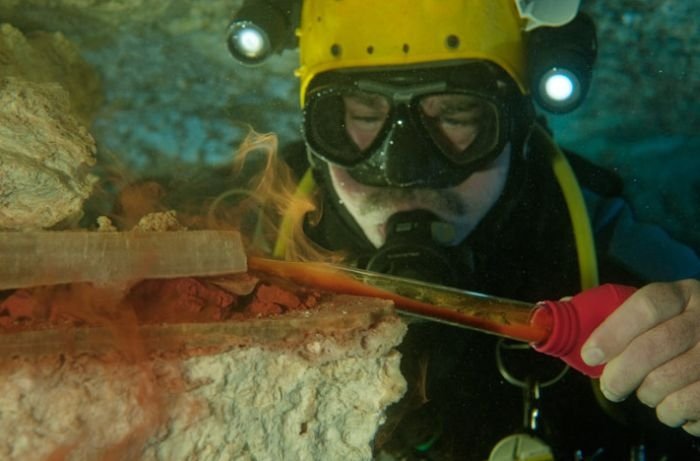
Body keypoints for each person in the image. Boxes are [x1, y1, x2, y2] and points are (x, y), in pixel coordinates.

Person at [266, 0, 700, 458]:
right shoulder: (247, 226)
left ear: (516, 128)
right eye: (366, 117)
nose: (407, 171)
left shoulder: (608, 254)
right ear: (320, 142)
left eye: (455, 116)